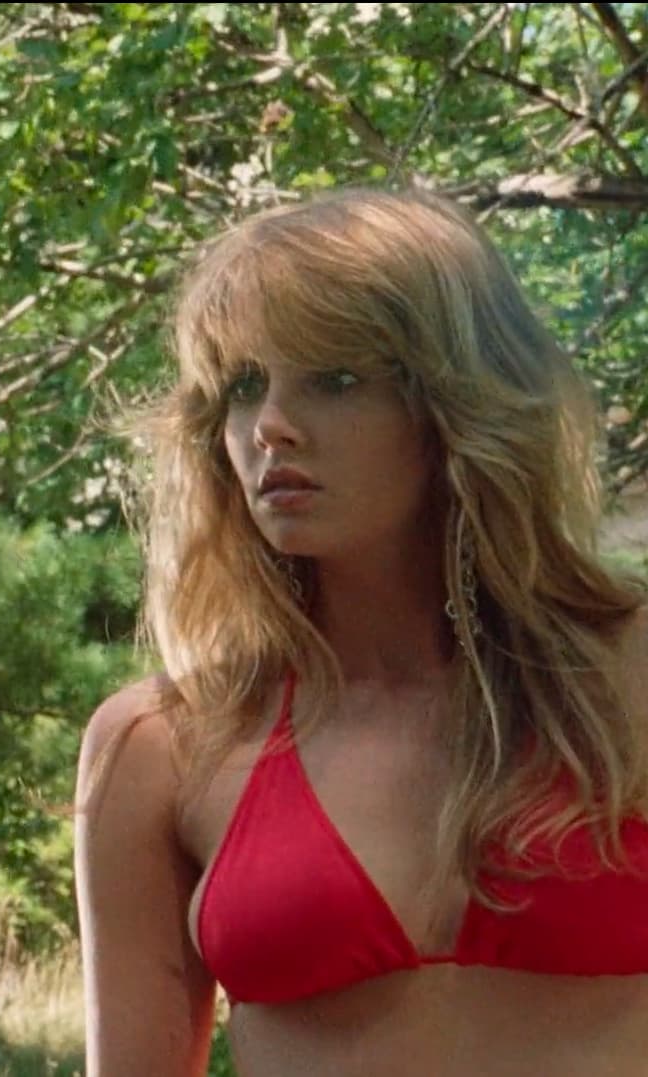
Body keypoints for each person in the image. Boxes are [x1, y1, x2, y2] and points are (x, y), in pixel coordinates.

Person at [73, 186, 648, 1075]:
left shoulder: (629, 673)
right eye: (244, 386)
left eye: (335, 378)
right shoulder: (163, 745)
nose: (270, 426)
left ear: (455, 400)